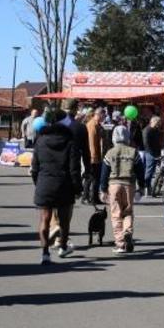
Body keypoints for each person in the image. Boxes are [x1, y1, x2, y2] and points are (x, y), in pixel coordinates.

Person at [32, 108, 81, 262]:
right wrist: (78, 188)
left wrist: (38, 183)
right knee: (64, 220)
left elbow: (35, 167)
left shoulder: (40, 140)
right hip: (64, 183)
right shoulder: (69, 141)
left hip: (44, 182)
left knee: (44, 219)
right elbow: (74, 168)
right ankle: (63, 246)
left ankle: (45, 253)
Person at [103, 125, 138, 254]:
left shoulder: (110, 152)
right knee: (128, 211)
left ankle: (120, 243)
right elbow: (140, 170)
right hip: (128, 184)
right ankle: (127, 232)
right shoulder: (133, 152)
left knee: (116, 214)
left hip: (114, 184)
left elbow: (104, 172)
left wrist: (102, 189)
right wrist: (141, 186)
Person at [141, 115, 164, 199]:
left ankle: (151, 188)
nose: (159, 124)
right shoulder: (147, 130)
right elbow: (146, 144)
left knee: (156, 171)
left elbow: (158, 142)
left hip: (156, 153)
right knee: (149, 171)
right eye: (158, 123)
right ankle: (145, 187)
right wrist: (153, 154)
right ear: (154, 122)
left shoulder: (156, 130)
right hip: (150, 154)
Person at [86, 105, 105, 204]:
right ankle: (90, 197)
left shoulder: (97, 125)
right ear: (99, 114)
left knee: (94, 177)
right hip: (93, 156)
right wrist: (93, 157)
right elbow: (91, 142)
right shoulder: (92, 125)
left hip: (96, 155)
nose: (104, 118)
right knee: (93, 177)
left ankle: (92, 197)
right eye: (103, 116)